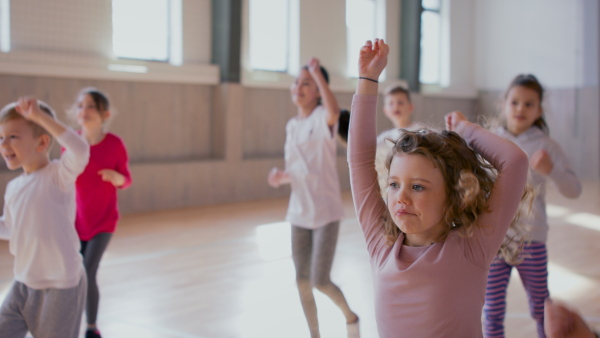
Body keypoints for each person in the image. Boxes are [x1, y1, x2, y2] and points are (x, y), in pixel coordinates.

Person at [348, 39, 529, 337]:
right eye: (394, 184)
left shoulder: (473, 247)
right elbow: (359, 161)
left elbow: (515, 162)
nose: (401, 197)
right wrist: (367, 80)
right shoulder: (381, 244)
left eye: (418, 187)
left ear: (454, 196)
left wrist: (465, 131)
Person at [484, 74, 582, 338]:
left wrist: (551, 170)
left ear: (539, 110)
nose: (520, 109)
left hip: (532, 240)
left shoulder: (546, 145)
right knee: (491, 310)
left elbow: (574, 190)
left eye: (529, 104)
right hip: (495, 242)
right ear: (503, 104)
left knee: (541, 309)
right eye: (515, 102)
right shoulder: (489, 140)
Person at [267, 58, 358, 338]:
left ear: (318, 89)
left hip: (326, 212)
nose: (299, 87)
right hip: (298, 213)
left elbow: (333, 111)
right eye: (297, 82)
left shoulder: (322, 117)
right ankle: (314, 334)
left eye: (307, 83)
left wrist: (317, 73)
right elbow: (299, 168)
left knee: (320, 280)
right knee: (302, 280)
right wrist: (281, 177)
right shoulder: (292, 125)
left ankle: (350, 316)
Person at [0, 97, 90, 338]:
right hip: (24, 282)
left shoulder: (58, 176)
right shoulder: (13, 187)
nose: (4, 144)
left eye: (13, 137)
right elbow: (11, 229)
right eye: (1, 138)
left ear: (42, 142)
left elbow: (80, 149)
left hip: (61, 285)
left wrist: (40, 117)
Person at [69, 88, 132, 338]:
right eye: (80, 105)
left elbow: (126, 180)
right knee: (74, 274)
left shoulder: (114, 144)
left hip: (104, 221)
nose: (84, 111)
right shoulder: (71, 144)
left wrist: (116, 177)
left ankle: (92, 329)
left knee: (88, 270)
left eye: (91, 106)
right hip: (75, 222)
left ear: (104, 113)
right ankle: (70, 322)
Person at [375, 85, 415, 196]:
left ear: (410, 107)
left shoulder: (419, 131)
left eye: (400, 102)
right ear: (386, 111)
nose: (396, 106)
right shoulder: (384, 137)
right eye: (391, 103)